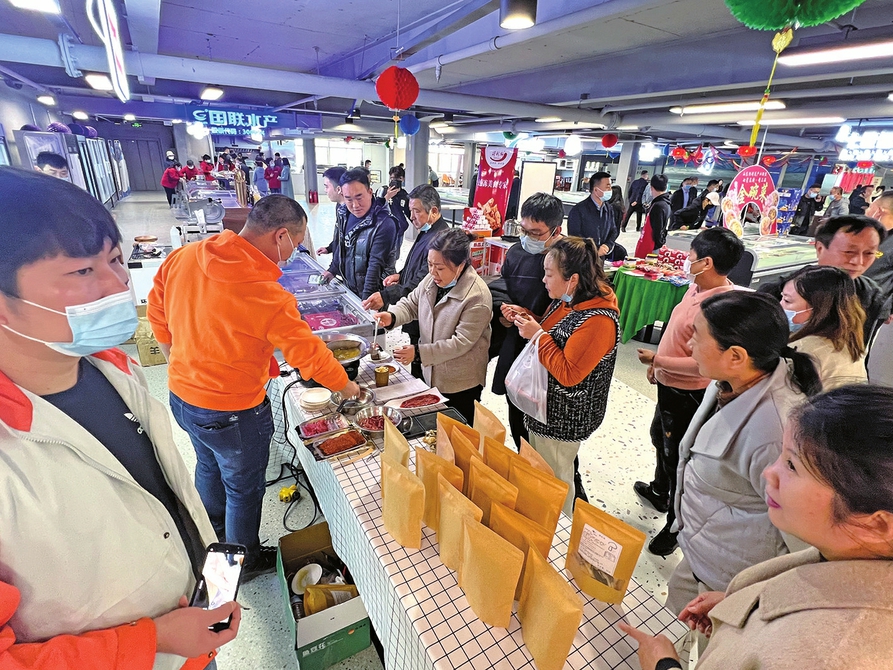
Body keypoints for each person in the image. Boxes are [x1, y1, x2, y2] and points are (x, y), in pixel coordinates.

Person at [0, 167, 240, 668]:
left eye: (115, 259)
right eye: (82, 272)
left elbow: (165, 497)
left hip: (192, 638)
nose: (118, 284)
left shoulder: (112, 368)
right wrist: (153, 640)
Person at [148, 195, 360, 577]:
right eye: (296, 244)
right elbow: (309, 354)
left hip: (182, 397)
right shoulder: (266, 294)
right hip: (233, 412)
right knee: (243, 490)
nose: (293, 253)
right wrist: (348, 388)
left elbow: (157, 311)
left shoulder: (185, 257)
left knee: (208, 467)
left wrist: (178, 363)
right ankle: (240, 563)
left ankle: (211, 538)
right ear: (281, 236)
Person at [620, 384, 893, 670]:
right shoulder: (843, 554)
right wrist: (746, 609)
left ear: (876, 524)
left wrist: (663, 665)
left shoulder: (832, 656)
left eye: (792, 465)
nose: (769, 473)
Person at [665, 291, 822, 614]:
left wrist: (748, 598)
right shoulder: (729, 382)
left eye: (697, 336)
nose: (690, 345)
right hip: (704, 549)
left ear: (736, 356)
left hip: (733, 581)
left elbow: (802, 541)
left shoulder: (776, 433)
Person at [634, 227, 745, 556]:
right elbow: (675, 333)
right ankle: (660, 492)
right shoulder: (696, 287)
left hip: (688, 393)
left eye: (691, 257)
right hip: (668, 384)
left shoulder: (719, 308)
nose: (686, 261)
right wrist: (658, 366)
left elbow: (703, 365)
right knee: (659, 436)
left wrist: (657, 359)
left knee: (678, 458)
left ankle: (675, 525)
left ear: (706, 262)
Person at [512, 237, 620, 515]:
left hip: (564, 417)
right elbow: (555, 334)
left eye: (549, 274)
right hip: (545, 408)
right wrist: (529, 318)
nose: (544, 280)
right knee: (543, 471)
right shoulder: (569, 300)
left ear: (573, 279)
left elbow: (569, 374)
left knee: (556, 478)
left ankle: (561, 527)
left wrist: (537, 336)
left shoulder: (598, 320)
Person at [374, 228, 492, 423]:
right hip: (432, 373)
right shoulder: (431, 280)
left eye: (440, 268)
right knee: (432, 428)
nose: (433, 272)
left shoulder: (477, 296)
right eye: (429, 264)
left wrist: (419, 353)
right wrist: (392, 316)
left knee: (457, 432)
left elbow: (460, 343)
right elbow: (411, 304)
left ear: (461, 265)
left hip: (460, 383)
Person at [491, 193, 564, 448]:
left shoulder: (568, 259)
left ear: (556, 230)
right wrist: (505, 313)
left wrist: (534, 318)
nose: (528, 238)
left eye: (536, 233)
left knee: (546, 426)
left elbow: (572, 308)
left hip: (551, 348)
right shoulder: (516, 252)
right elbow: (502, 287)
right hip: (516, 342)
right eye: (524, 230)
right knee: (516, 406)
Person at [361, 185, 449, 379]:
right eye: (410, 211)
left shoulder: (441, 240)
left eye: (416, 211)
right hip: (415, 312)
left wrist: (386, 296)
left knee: (423, 364)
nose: (411, 217)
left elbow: (422, 282)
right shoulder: (427, 231)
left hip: (426, 313)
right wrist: (400, 275)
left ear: (434, 211)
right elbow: (417, 265)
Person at [758, 215, 888, 346]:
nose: (858, 261)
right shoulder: (778, 290)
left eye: (869, 253)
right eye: (849, 251)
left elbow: (862, 348)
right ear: (820, 248)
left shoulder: (871, 295)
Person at [781, 265, 867, 389]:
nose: (780, 305)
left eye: (787, 300)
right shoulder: (849, 339)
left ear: (818, 309)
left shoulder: (802, 350)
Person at [323, 168, 398, 299]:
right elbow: (341, 245)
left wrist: (366, 300)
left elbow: (375, 266)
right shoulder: (343, 213)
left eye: (359, 197)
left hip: (374, 295)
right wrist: (332, 270)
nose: (355, 205)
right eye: (348, 199)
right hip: (350, 288)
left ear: (370, 192)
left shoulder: (385, 223)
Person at [567, 171, 618, 258]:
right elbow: (574, 237)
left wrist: (607, 245)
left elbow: (613, 231)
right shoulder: (578, 210)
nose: (610, 190)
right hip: (583, 258)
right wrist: (594, 250)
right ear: (596, 190)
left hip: (601, 257)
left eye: (610, 187)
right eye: (607, 187)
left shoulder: (609, 209)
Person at [375, 166, 411, 257]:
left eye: (398, 178)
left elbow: (409, 213)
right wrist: (387, 197)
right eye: (392, 178)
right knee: (381, 256)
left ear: (402, 179)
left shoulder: (404, 195)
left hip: (399, 231)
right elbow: (375, 209)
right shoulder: (382, 191)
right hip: (383, 231)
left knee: (394, 257)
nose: (394, 181)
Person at [634, 174, 672, 258]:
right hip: (655, 246)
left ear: (651, 187)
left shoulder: (658, 206)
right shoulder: (666, 203)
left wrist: (659, 244)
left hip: (651, 248)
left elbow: (657, 230)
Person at [864, 192, 893, 296]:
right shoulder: (871, 234)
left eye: (870, 207)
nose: (866, 211)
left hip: (871, 302)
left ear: (879, 212)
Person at [317, 166, 348, 257]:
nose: (325, 190)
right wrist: (330, 248)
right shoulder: (339, 206)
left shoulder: (353, 211)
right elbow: (340, 235)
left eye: (327, 186)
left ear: (338, 189)